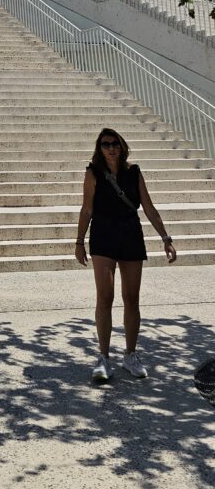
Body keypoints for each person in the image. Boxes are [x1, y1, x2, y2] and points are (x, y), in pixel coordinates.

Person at [75, 127, 177, 383]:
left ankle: (130, 355)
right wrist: (79, 241)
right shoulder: (93, 173)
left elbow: (149, 208)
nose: (111, 148)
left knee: (131, 298)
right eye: (106, 144)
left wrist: (166, 238)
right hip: (103, 236)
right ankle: (104, 358)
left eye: (115, 144)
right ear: (99, 149)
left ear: (122, 147)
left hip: (130, 234)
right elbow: (86, 209)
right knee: (105, 297)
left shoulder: (134, 172)